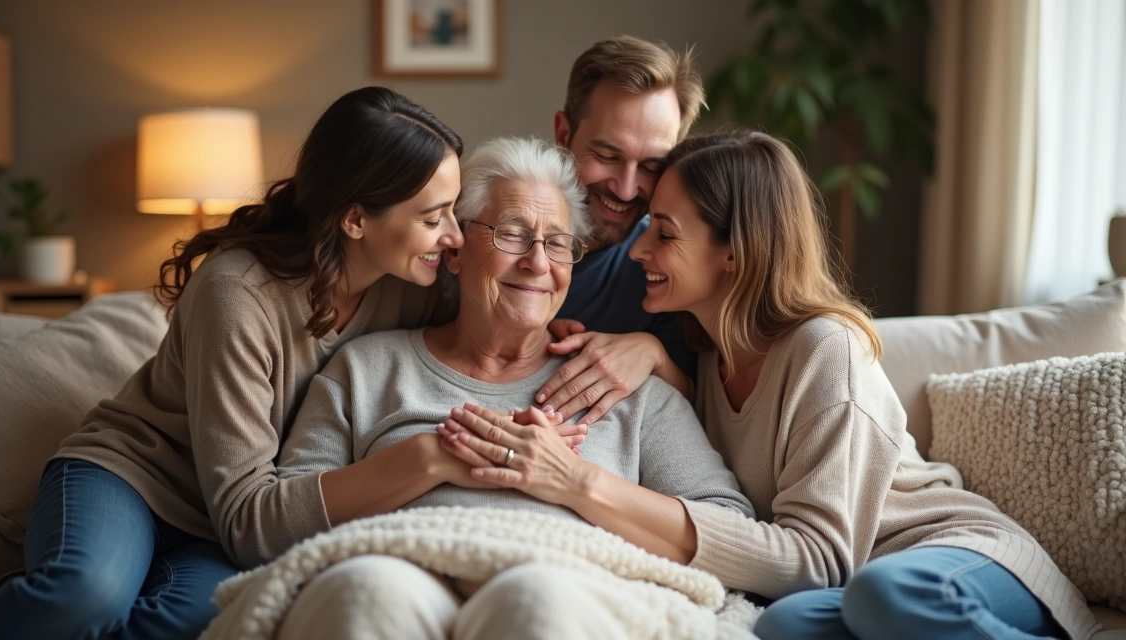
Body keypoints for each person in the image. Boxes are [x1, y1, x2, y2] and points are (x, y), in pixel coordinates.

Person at [448, 128, 1100, 640]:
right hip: (855, 591)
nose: (639, 251)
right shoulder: (703, 356)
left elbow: (818, 560)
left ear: (734, 252)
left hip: (959, 559)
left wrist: (579, 483)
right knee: (780, 626)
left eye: (664, 234)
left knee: (889, 595)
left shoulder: (823, 349)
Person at [0, 86, 468, 640]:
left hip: (212, 531)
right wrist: (422, 461)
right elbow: (248, 521)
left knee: (201, 619)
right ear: (355, 220)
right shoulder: (237, 293)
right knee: (83, 596)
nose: (453, 235)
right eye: (435, 218)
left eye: (454, 211)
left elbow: (503, 317)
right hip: (135, 479)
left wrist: (564, 338)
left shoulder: (413, 287)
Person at [272, 136, 753, 640]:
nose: (538, 263)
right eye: (512, 234)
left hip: (566, 589)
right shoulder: (366, 369)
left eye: (558, 243)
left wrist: (572, 479)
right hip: (397, 575)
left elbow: (727, 529)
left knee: (534, 599)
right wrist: (436, 455)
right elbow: (280, 521)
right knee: (369, 591)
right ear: (455, 251)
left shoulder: (624, 388)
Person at [533, 35, 707, 426]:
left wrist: (652, 353)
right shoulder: (475, 237)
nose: (626, 189)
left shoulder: (667, 265)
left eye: (650, 166)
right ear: (563, 134)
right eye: (608, 156)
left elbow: (703, 411)